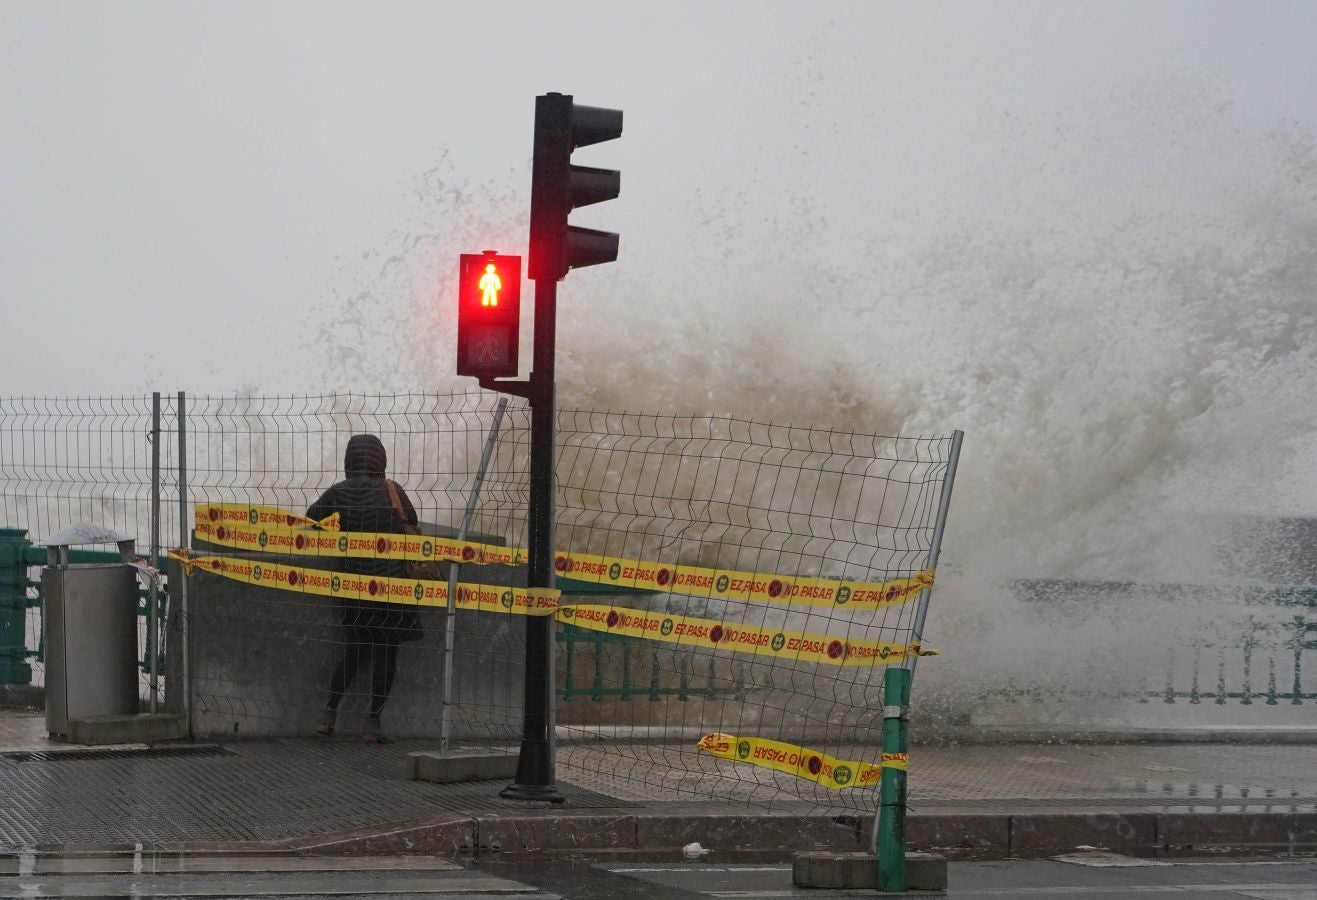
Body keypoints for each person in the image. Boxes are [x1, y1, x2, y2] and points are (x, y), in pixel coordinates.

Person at [309, 434, 422, 743]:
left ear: (349, 460)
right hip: (392, 589)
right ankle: (372, 724)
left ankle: (329, 715)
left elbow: (310, 519)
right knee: (386, 656)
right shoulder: (392, 490)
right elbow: (412, 521)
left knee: (354, 654)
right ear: (380, 460)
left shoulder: (339, 491)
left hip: (355, 587)